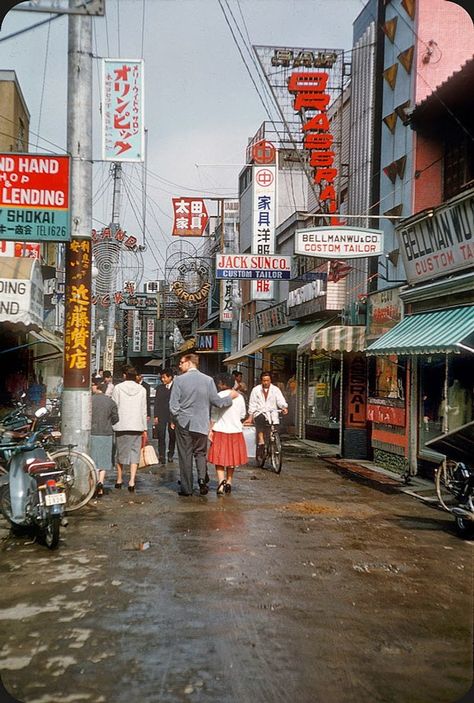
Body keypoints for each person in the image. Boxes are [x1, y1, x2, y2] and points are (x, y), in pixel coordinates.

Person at [169, 353, 238, 497]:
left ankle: (187, 489)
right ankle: (202, 480)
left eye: (182, 362)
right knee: (200, 453)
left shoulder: (179, 380)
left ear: (189, 363)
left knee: (185, 455)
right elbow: (217, 402)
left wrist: (177, 418)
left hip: (184, 423)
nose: (180, 365)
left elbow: (173, 406)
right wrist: (230, 398)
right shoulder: (208, 380)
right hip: (201, 423)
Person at [208, 373, 247, 495]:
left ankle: (221, 483)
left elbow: (214, 416)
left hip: (220, 430)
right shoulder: (239, 397)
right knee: (232, 459)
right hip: (235, 431)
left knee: (219, 459)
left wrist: (210, 430)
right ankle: (229, 481)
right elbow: (242, 415)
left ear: (223, 383)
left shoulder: (218, 396)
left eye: (219, 382)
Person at [112, 366, 147, 493]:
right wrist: (144, 428)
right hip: (137, 425)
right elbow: (144, 410)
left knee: (120, 453)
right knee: (134, 453)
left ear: (125, 375)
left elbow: (114, 407)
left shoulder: (118, 388)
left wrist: (113, 423)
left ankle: (119, 479)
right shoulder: (142, 389)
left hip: (121, 425)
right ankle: (132, 481)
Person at [246, 371, 288, 460]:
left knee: (273, 430)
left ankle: (272, 447)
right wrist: (250, 416)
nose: (265, 382)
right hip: (259, 412)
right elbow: (252, 403)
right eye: (264, 380)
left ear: (270, 380)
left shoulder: (275, 390)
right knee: (260, 419)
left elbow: (280, 400)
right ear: (261, 381)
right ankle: (261, 441)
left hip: (272, 413)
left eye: (267, 380)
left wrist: (284, 407)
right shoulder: (256, 390)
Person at [91, 379, 119, 497]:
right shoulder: (110, 402)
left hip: (92, 433)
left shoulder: (89, 400)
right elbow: (115, 418)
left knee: (92, 461)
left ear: (96, 387)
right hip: (106, 433)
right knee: (103, 460)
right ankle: (101, 483)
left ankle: (93, 486)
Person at [153, 368, 176, 465]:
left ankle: (170, 453)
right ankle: (161, 455)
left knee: (172, 436)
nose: (163, 379)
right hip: (161, 415)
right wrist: (156, 416)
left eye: (164, 377)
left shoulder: (176, 388)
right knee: (161, 435)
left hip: (172, 416)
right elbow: (156, 403)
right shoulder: (159, 388)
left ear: (170, 377)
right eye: (162, 377)